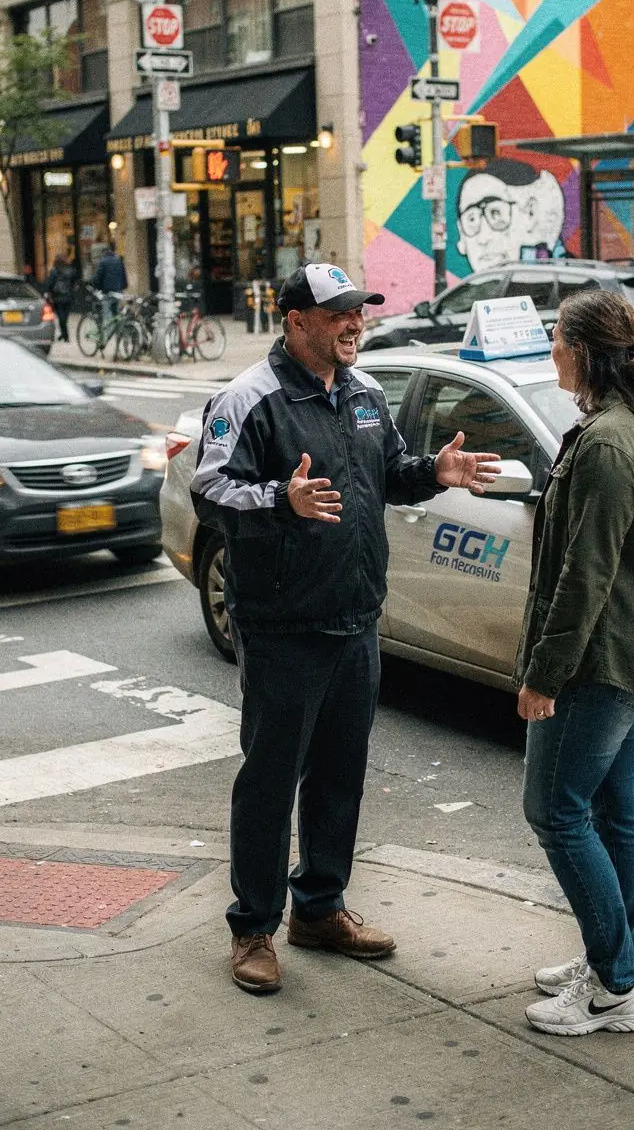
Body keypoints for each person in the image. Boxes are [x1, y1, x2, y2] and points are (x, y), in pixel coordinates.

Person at [190, 261, 501, 995]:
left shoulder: (363, 393)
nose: (354, 324)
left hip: (357, 618)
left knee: (339, 777)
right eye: (338, 314)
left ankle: (319, 909)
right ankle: (254, 929)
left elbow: (389, 470)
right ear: (296, 321)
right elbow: (208, 488)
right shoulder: (250, 398)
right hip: (283, 626)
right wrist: (279, 499)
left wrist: (435, 471)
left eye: (358, 311)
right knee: (270, 782)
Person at [516, 289, 634, 1037]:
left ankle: (616, 985)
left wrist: (542, 677)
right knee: (618, 809)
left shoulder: (612, 443)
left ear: (583, 351)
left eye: (556, 335)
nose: (550, 346)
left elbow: (586, 576)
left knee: (554, 810)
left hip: (602, 661)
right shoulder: (633, 426)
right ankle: (621, 958)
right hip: (631, 651)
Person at [456, 159, 566, 272]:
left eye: (497, 214)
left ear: (530, 214)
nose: (483, 239)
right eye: (471, 219)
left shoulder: (560, 274)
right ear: (462, 236)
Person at [91, 241, 127, 320]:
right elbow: (123, 275)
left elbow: (97, 278)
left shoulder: (103, 262)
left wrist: (97, 287)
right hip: (118, 290)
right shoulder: (118, 260)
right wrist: (123, 286)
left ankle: (109, 331)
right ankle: (117, 329)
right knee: (116, 311)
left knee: (107, 313)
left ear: (104, 253)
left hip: (107, 292)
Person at [45, 253, 76, 343]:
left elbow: (50, 283)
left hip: (58, 297)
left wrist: (49, 292)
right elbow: (73, 282)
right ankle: (64, 335)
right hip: (68, 297)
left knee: (61, 318)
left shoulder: (54, 270)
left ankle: (65, 335)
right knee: (64, 318)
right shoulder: (70, 270)